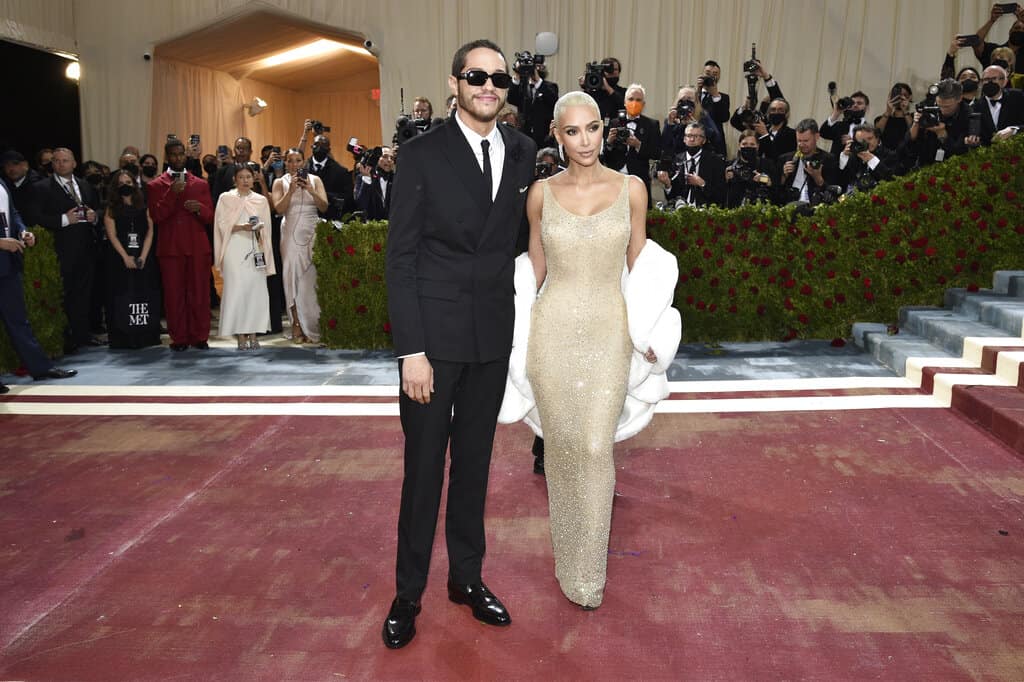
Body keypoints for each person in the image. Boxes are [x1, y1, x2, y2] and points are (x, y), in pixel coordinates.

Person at [382, 38, 537, 650]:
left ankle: (466, 579)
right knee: (423, 473)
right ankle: (408, 593)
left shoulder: (522, 151)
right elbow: (401, 258)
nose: (488, 86)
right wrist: (411, 351)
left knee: (474, 468)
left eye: (499, 78)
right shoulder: (421, 154)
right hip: (433, 346)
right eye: (476, 76)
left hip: (491, 339)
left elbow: (522, 243)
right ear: (454, 84)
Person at [516, 91, 675, 610]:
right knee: (561, 451)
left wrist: (650, 332)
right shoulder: (540, 194)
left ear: (604, 130)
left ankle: (589, 574)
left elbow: (640, 269)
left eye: (592, 128)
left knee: (593, 447)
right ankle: (570, 562)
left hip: (609, 332)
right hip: (552, 333)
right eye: (572, 131)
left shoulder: (632, 189)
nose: (584, 140)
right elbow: (534, 273)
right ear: (557, 136)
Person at [0, 178, 77, 387]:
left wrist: (22, 231)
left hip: (8, 265)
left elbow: (12, 213)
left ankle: (41, 368)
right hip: (4, 254)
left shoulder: (2, 183)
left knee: (19, 320)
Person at [25, 147, 102, 353]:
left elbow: (99, 208)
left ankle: (82, 335)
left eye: (65, 160)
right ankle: (65, 338)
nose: (60, 164)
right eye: (56, 161)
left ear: (74, 163)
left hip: (86, 249)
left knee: (84, 294)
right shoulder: (41, 188)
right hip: (58, 250)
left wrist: (95, 216)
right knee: (63, 295)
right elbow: (33, 217)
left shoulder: (85, 185)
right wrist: (63, 220)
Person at [146, 138, 215, 350]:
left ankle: (200, 336)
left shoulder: (201, 184)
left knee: (200, 293)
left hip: (197, 246)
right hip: (171, 248)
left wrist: (199, 209)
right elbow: (157, 216)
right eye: (173, 155)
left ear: (185, 155)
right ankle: (179, 338)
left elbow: (210, 216)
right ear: (167, 157)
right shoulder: (155, 185)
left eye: (180, 154)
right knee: (174, 295)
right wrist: (171, 193)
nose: (177, 158)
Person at [213, 165, 275, 350]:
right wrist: (241, 227)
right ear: (235, 179)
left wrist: (258, 229)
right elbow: (221, 224)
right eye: (241, 177)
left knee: (255, 291)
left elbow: (267, 228)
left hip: (254, 248)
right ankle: (240, 335)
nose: (245, 180)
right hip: (234, 248)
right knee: (237, 291)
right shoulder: (225, 198)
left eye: (248, 176)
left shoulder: (260, 200)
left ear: (253, 179)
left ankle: (254, 334)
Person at [272, 149, 327, 344]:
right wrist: (291, 191)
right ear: (286, 163)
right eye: (290, 161)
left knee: (312, 279)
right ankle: (296, 323)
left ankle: (313, 324)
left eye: (298, 160)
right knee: (292, 277)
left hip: (313, 231)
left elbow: (324, 206)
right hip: (290, 232)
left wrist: (310, 190)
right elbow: (279, 209)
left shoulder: (316, 180)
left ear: (304, 162)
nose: (294, 164)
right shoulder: (280, 182)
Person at [104, 170, 161, 348]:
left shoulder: (144, 206)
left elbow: (150, 231)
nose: (125, 186)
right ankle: (123, 338)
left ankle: (146, 336)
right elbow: (112, 235)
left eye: (128, 182)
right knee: (122, 296)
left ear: (134, 185)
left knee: (146, 295)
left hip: (144, 257)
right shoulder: (111, 208)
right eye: (121, 183)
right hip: (119, 259)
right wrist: (125, 257)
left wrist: (143, 256)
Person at [601, 83, 661, 205]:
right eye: (631, 99)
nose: (634, 103)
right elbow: (604, 156)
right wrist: (609, 142)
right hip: (615, 179)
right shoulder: (613, 123)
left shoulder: (652, 125)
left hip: (639, 180)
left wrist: (638, 145)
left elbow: (657, 153)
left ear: (643, 104)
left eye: (638, 100)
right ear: (624, 102)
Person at [657, 121, 727, 208]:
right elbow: (672, 197)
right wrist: (667, 184)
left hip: (706, 211)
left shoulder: (715, 161)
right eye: (689, 136)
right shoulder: (676, 160)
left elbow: (721, 195)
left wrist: (702, 184)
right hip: (680, 210)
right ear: (684, 139)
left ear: (704, 140)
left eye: (696, 136)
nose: (692, 139)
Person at [725, 129, 775, 207]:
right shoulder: (730, 165)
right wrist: (726, 179)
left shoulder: (767, 164)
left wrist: (763, 179)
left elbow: (774, 186)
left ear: (757, 146)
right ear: (739, 146)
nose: (748, 147)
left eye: (752, 144)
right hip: (735, 208)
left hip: (759, 208)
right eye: (744, 144)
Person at [974, 64, 1024, 143]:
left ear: (1005, 81)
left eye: (994, 79)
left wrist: (1014, 129)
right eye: (986, 79)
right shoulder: (975, 106)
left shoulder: (1018, 97)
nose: (990, 82)